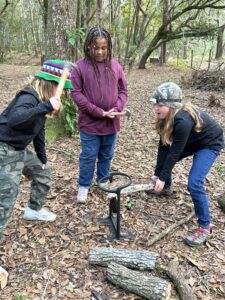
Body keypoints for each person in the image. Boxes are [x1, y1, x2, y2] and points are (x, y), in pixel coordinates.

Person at [0, 59, 72, 239]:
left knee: (43, 174)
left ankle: (33, 210)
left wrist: (42, 158)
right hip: (4, 149)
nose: (64, 93)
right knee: (5, 201)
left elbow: (38, 129)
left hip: (19, 149)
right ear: (51, 85)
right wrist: (46, 106)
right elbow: (16, 119)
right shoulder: (29, 96)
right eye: (62, 88)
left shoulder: (41, 101)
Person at [148, 82, 224, 247]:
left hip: (209, 143)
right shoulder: (165, 119)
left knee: (195, 183)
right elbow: (163, 147)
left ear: (170, 105)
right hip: (194, 139)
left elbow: (174, 153)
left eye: (160, 104)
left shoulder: (183, 120)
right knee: (166, 159)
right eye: (155, 103)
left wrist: (161, 177)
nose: (155, 107)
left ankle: (205, 227)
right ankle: (166, 188)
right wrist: (158, 174)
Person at [71, 26, 128, 204]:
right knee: (88, 155)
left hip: (111, 122)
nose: (100, 51)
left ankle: (103, 181)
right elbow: (76, 93)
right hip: (89, 123)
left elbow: (123, 90)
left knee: (106, 154)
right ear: (89, 46)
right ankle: (84, 185)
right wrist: (98, 111)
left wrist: (117, 107)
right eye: (96, 47)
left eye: (104, 48)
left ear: (109, 47)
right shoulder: (80, 67)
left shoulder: (115, 65)